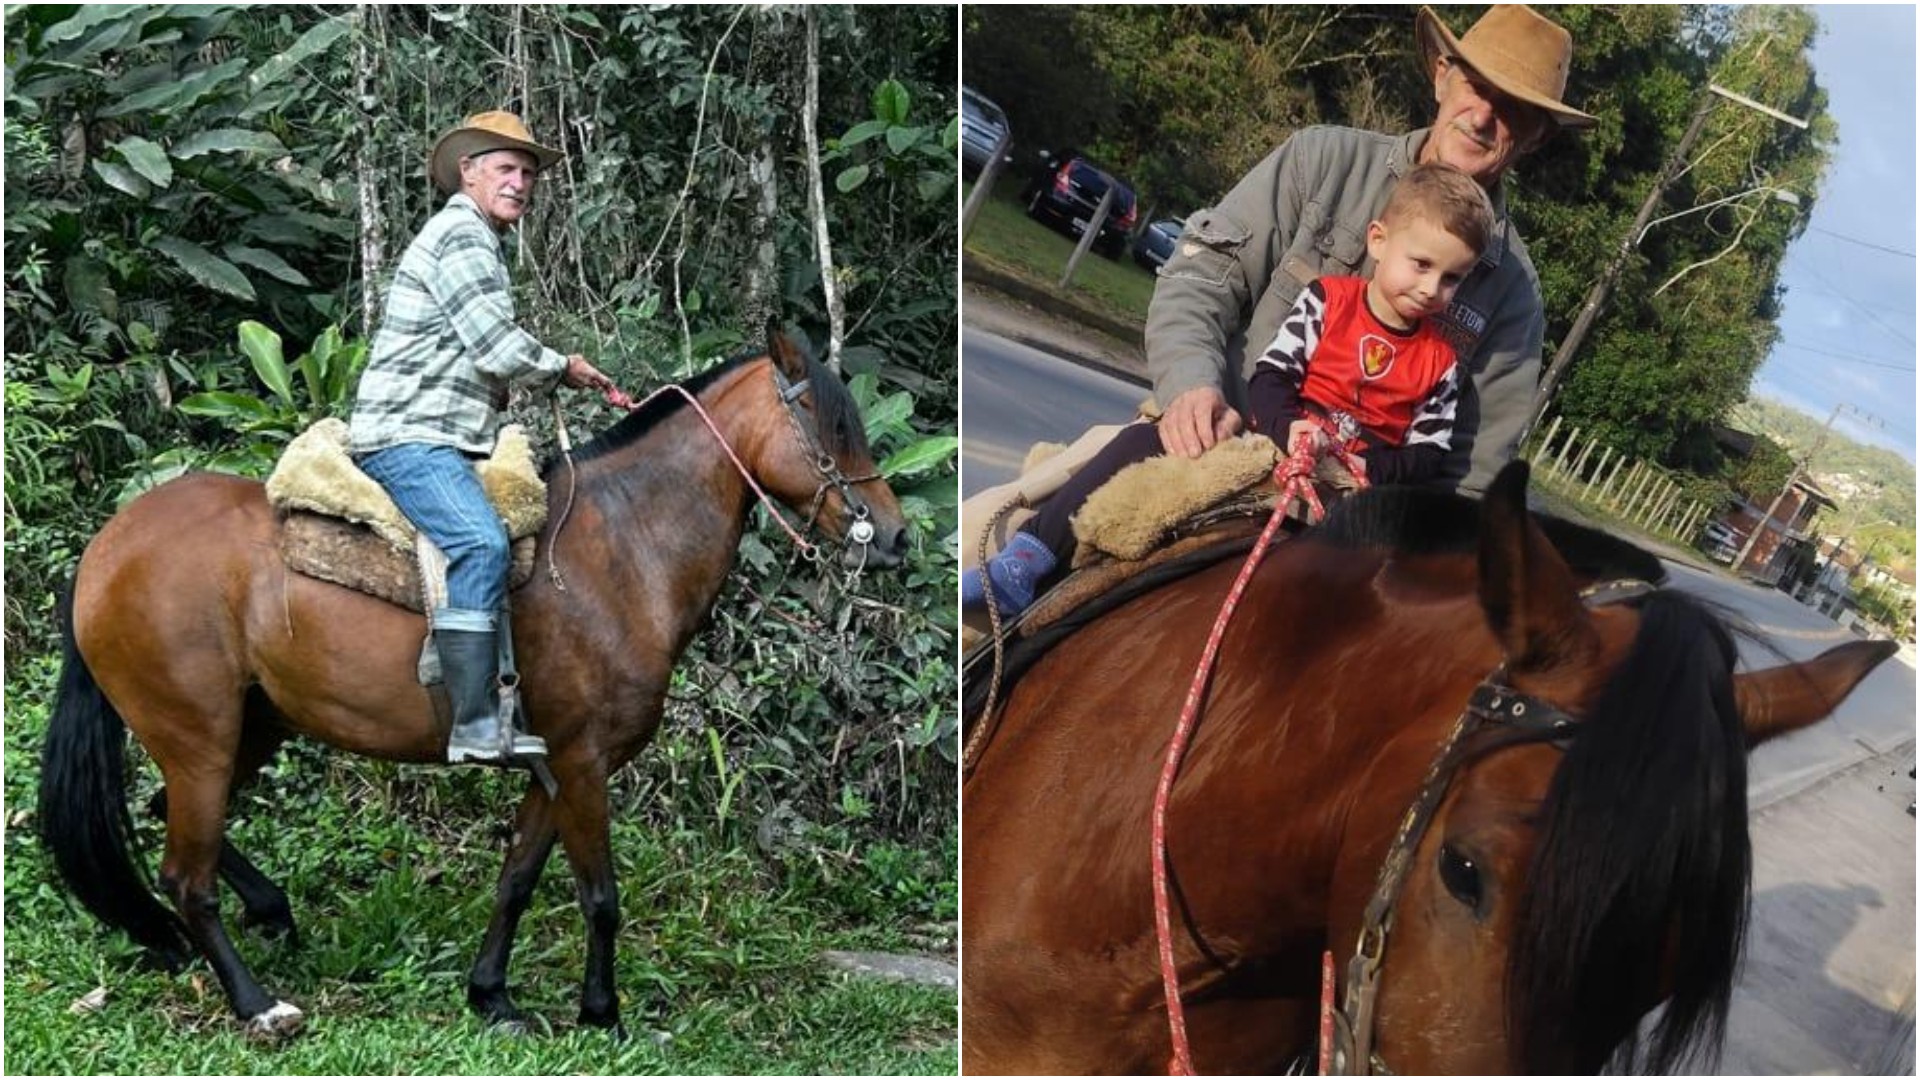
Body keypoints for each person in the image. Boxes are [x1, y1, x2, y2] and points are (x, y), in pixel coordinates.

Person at [965, 163, 1494, 617]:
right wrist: (1292, 430)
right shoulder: (1327, 301)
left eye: (1451, 280)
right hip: (1272, 447)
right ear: (1378, 241)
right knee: (1141, 446)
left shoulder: (1441, 362)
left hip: (1353, 489)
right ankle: (1027, 558)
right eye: (1421, 265)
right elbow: (1273, 376)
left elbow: (1426, 454)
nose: (1430, 289)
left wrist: (1367, 471)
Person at [1145, 4, 1596, 496]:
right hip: (1218, 449)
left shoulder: (1511, 289)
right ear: (1443, 77)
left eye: (1511, 109)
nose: (1483, 117)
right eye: (1477, 87)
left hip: (1351, 526)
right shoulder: (1320, 161)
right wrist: (1190, 386)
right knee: (1090, 511)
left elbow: (1474, 470)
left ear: (1537, 136)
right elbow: (1202, 279)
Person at [349, 110, 624, 766]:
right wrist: (566, 367)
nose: (520, 182)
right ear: (469, 174)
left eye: (528, 173)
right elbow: (496, 345)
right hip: (410, 435)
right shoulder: (463, 236)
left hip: (445, 434)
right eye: (506, 168)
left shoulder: (474, 237)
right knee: (480, 540)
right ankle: (473, 722)